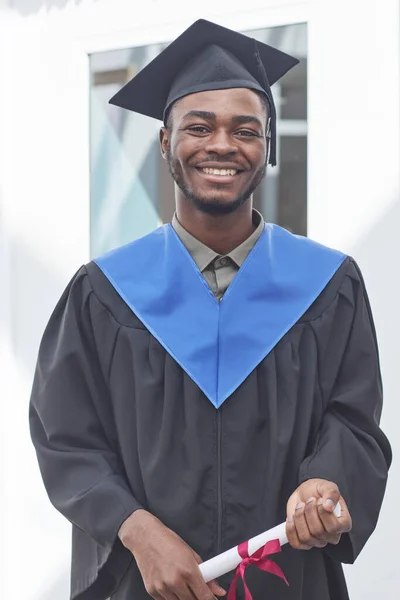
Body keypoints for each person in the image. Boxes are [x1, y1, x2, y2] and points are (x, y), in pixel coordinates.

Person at [29, 18, 391, 600]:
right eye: (199, 126)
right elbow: (66, 439)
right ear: (166, 142)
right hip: (141, 584)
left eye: (245, 129)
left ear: (266, 147)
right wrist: (138, 532)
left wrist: (326, 482)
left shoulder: (329, 285)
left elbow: (354, 421)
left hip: (288, 582)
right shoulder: (103, 292)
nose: (222, 144)